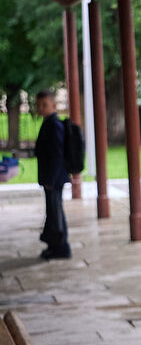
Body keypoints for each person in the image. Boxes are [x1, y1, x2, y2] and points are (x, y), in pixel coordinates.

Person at [33, 90, 71, 260]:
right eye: (38, 105)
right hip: (51, 177)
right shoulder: (48, 123)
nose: (40, 108)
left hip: (53, 178)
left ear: (54, 105)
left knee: (56, 212)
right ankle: (54, 246)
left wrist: (51, 179)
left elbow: (56, 155)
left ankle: (62, 247)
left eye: (44, 105)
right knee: (53, 212)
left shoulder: (54, 124)